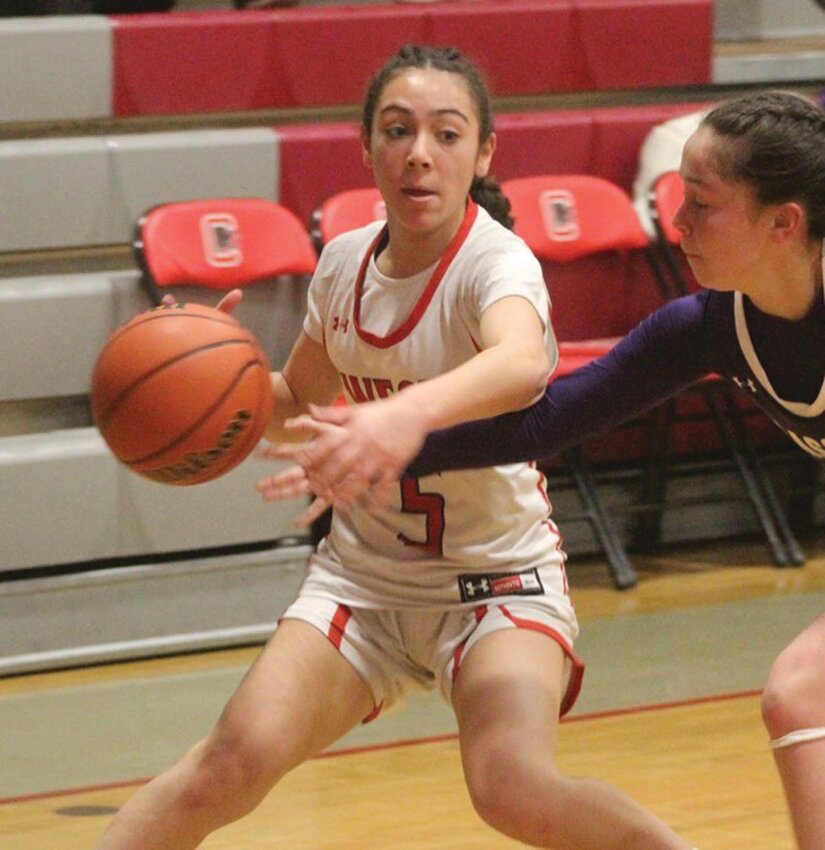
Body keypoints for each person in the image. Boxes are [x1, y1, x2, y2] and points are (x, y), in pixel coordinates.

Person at [93, 45, 695, 850]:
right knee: (226, 765)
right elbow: (295, 402)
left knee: (512, 787)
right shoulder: (343, 263)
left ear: (482, 153)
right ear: (366, 146)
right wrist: (213, 383)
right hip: (363, 584)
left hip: (496, 579)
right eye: (397, 130)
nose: (419, 152)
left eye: (447, 135)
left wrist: (404, 417)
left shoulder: (495, 261)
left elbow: (521, 365)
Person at [263, 89, 825, 850]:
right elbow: (548, 420)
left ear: (781, 223)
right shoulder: (706, 327)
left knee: (798, 696)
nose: (676, 223)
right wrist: (385, 439)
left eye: (700, 204)